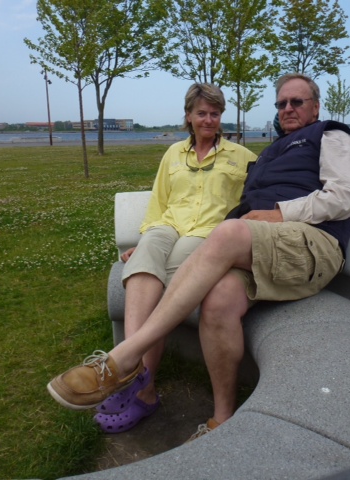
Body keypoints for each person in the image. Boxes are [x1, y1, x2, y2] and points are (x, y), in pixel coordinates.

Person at [48, 73, 350, 440]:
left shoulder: (331, 135)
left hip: (311, 242)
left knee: (226, 232)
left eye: (297, 101)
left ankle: (124, 360)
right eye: (281, 103)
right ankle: (221, 420)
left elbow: (344, 198)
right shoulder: (270, 153)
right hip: (265, 245)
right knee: (217, 300)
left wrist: (279, 214)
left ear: (316, 106)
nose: (288, 109)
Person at [89, 83, 257, 433]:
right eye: (201, 113)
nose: (208, 119)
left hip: (205, 234)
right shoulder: (172, 154)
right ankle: (135, 369)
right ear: (189, 116)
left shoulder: (242, 156)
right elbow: (159, 202)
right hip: (168, 226)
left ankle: (143, 389)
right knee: (144, 258)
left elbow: (252, 201)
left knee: (165, 273)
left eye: (215, 113)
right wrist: (144, 240)